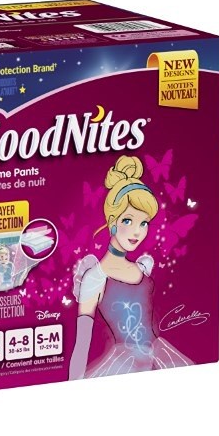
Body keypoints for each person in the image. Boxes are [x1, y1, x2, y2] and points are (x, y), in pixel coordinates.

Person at [69, 155, 192, 379]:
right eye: (128, 220)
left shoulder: (141, 269)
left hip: (160, 359)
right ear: (112, 222)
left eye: (143, 223)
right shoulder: (95, 278)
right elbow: (81, 346)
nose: (137, 231)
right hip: (123, 366)